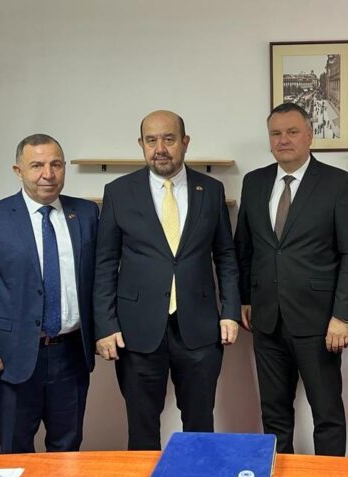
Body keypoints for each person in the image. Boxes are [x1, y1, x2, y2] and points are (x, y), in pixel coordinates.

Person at [94, 110, 240, 450]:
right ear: (141, 144)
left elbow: (226, 256)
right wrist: (105, 325)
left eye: (169, 139)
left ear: (185, 143)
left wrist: (230, 311)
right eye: (151, 140)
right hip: (137, 331)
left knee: (200, 426)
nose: (160, 148)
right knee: (142, 428)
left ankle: (196, 475)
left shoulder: (211, 190)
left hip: (200, 329)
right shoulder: (119, 192)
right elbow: (105, 263)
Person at [234, 102, 348, 456]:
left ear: (310, 135)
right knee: (274, 415)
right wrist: (245, 297)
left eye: (292, 132)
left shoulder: (338, 183)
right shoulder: (254, 182)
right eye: (276, 133)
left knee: (327, 415)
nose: (283, 140)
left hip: (319, 322)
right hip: (266, 320)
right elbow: (244, 246)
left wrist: (343, 315)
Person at [0, 134, 97, 453]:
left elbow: (100, 278)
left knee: (67, 449)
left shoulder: (86, 214)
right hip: (13, 357)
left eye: (56, 165)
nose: (47, 174)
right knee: (15, 450)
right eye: (36, 165)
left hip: (71, 355)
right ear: (18, 170)